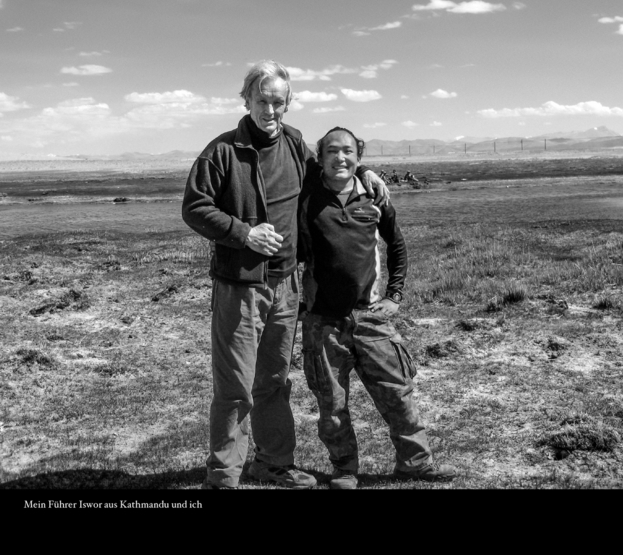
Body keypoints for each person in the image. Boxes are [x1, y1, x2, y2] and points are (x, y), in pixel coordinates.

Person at [182, 60, 389, 489]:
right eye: (262, 101)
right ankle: (222, 476)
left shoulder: (294, 144)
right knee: (235, 385)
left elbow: (326, 175)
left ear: (288, 104)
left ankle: (272, 463)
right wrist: (243, 233)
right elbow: (195, 207)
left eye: (278, 102)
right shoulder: (222, 152)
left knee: (273, 380)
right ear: (247, 100)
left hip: (287, 284)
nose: (270, 110)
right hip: (241, 285)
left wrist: (363, 171)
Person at [298, 126, 457, 489]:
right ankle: (344, 470)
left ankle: (416, 463)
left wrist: (393, 296)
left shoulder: (373, 195)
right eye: (332, 151)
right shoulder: (306, 197)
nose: (341, 158)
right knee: (332, 404)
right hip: (323, 321)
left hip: (371, 316)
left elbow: (397, 247)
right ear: (319, 157)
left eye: (349, 151)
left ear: (360, 155)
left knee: (398, 393)